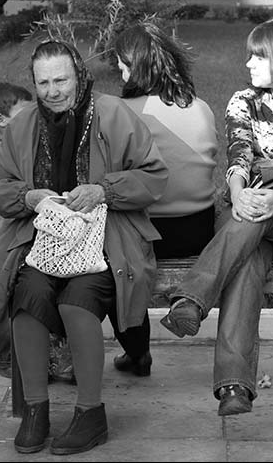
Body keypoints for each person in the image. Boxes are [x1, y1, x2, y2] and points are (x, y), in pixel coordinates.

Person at [0, 39, 168, 455]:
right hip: (44, 241)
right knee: (28, 293)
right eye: (43, 83)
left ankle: (90, 413)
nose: (52, 91)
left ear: (79, 76)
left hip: (106, 240)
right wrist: (28, 197)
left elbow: (155, 176)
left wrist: (104, 190)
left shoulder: (113, 114)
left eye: (61, 80)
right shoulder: (23, 125)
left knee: (77, 299)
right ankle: (36, 410)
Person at [161, 16, 273, 416]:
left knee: (256, 218)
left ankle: (192, 298)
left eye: (258, 56)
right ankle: (234, 388)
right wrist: (237, 195)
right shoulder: (243, 101)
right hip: (245, 209)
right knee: (248, 259)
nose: (249, 63)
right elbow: (239, 152)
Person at [112, 22, 218, 377]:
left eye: (123, 66)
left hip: (149, 235)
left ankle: (137, 350)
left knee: (107, 251)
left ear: (136, 67)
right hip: (200, 229)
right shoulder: (201, 107)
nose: (120, 74)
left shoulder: (122, 111)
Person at [0, 81, 33, 379]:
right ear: (2, 120)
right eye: (25, 114)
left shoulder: (15, 144)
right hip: (7, 233)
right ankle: (3, 357)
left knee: (23, 292)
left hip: (22, 229)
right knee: (6, 294)